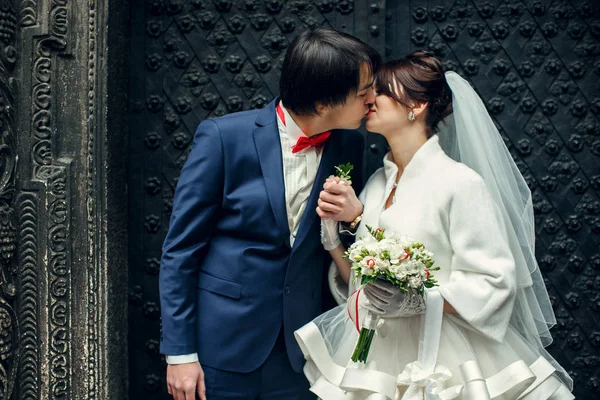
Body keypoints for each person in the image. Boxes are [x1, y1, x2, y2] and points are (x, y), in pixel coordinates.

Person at [295, 51, 574, 399]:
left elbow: (494, 281)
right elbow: (363, 283)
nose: (370, 99)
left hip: (445, 356)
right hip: (376, 355)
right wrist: (335, 236)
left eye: (382, 91)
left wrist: (419, 301)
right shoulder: (379, 183)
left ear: (416, 105)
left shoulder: (459, 183)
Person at [159, 28, 381, 400]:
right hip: (223, 349)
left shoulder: (349, 145)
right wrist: (180, 354)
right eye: (364, 92)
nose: (373, 100)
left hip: (304, 351)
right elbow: (180, 251)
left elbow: (339, 244)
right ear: (323, 103)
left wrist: (355, 219)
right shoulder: (223, 138)